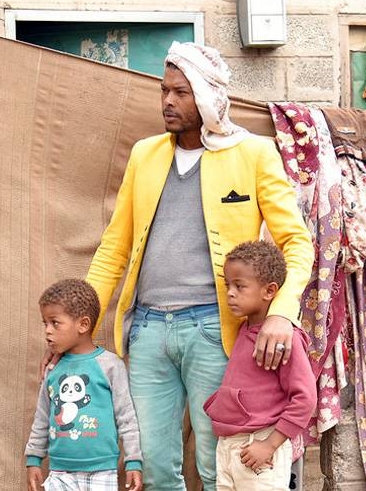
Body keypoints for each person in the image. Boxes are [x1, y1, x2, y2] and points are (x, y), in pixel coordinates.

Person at [82, 42, 314, 490]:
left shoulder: (254, 153)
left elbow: (296, 243)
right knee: (151, 466)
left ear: (207, 96)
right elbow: (114, 246)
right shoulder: (145, 154)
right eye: (164, 91)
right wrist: (82, 323)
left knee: (218, 466)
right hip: (146, 331)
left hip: (215, 327)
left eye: (181, 93)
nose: (168, 101)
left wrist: (282, 313)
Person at [204, 241, 316, 490]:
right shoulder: (243, 329)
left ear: (269, 291)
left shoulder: (285, 339)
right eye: (228, 286)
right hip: (229, 447)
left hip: (261, 445)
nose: (230, 293)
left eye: (239, 286)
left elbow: (305, 398)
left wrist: (270, 445)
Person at [25, 279, 143, 491]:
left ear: (83, 324)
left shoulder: (110, 366)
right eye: (45, 323)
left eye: (55, 322)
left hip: (102, 471)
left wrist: (133, 460)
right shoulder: (53, 368)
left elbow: (126, 417)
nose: (48, 331)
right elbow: (42, 416)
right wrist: (33, 458)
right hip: (59, 471)